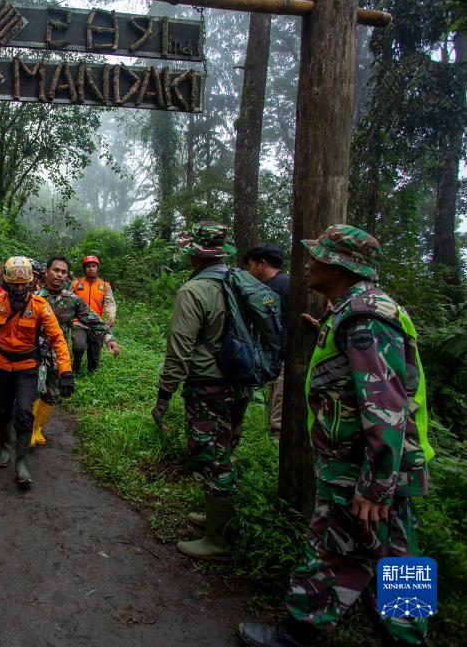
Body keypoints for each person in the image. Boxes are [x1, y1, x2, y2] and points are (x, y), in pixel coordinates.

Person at [239, 225, 433, 647]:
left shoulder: (365, 318)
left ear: (340, 266)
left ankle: (300, 632)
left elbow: (386, 407)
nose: (308, 264)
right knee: (394, 555)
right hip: (376, 467)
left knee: (334, 546)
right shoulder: (351, 310)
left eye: (317, 258)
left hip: (364, 468)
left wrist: (376, 485)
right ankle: (408, 634)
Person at [150, 221, 251, 561]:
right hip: (241, 383)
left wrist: (163, 397)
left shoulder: (192, 292)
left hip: (208, 387)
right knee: (226, 449)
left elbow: (179, 351)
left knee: (212, 458)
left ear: (194, 255)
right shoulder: (241, 282)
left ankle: (218, 542)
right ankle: (216, 516)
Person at [0, 256, 73, 488]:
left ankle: (21, 463)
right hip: (1, 366)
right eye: (14, 284)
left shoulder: (40, 307)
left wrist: (66, 371)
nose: (19, 288)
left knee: (23, 412)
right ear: (6, 282)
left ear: (32, 283)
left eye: (24, 284)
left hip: (26, 368)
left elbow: (58, 339)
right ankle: (4, 447)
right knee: (3, 410)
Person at [34, 255, 120, 446]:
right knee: (34, 390)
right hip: (35, 353)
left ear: (67, 276)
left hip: (58, 354)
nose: (59, 275)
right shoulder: (34, 298)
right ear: (47, 272)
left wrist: (109, 337)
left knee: (53, 393)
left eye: (63, 272)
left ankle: (37, 428)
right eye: (56, 270)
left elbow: (91, 318)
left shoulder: (72, 300)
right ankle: (29, 430)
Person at [242, 243, 290, 437]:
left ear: (262, 263)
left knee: (278, 417)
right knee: (272, 408)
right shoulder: (265, 288)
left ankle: (277, 455)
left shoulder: (286, 285)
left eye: (251, 265)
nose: (249, 270)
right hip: (273, 358)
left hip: (286, 359)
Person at [72, 255, 117, 374]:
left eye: (93, 266)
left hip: (96, 323)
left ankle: (92, 372)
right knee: (79, 346)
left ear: (97, 268)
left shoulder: (104, 285)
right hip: (78, 322)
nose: (91, 269)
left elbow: (110, 302)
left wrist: (111, 315)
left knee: (95, 351)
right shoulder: (76, 284)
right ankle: (75, 367)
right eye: (88, 266)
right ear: (84, 268)